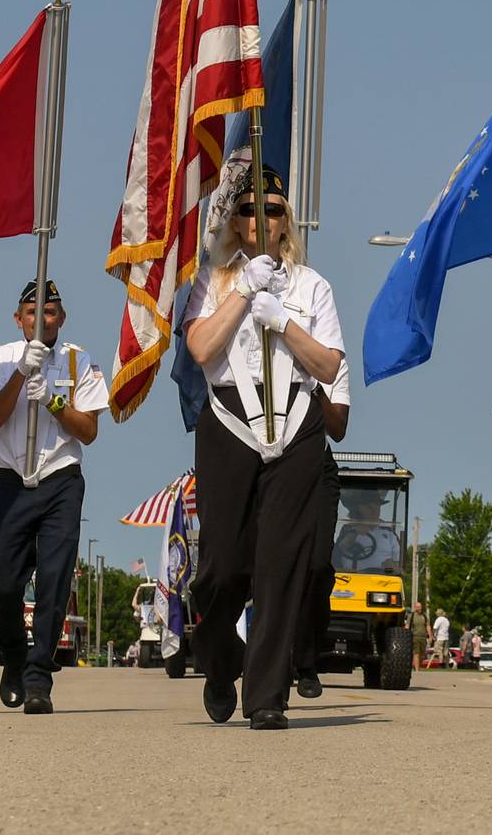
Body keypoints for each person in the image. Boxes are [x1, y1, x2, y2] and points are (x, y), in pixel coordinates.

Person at [184, 165, 346, 730]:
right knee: (222, 567)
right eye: (249, 209)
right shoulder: (212, 279)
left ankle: (267, 697)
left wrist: (284, 322)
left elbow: (329, 364)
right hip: (230, 421)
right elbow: (202, 349)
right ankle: (220, 656)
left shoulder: (312, 285)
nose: (261, 219)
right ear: (235, 219)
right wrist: (244, 291)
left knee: (282, 566)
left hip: (297, 420)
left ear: (286, 223)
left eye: (272, 209)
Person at [0, 278, 108, 714]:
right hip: (13, 479)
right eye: (33, 312)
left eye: (49, 312)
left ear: (61, 318)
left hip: (60, 479)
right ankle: (13, 655)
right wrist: (20, 373)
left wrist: (52, 401)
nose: (41, 319)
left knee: (53, 581)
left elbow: (88, 431)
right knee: (4, 583)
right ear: (19, 319)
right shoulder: (1, 357)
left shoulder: (78, 361)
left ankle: (37, 678)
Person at [296, 362, 352, 700]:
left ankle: (306, 661)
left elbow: (338, 427)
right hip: (266, 463)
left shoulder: (329, 360)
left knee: (316, 567)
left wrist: (313, 386)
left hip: (316, 468)